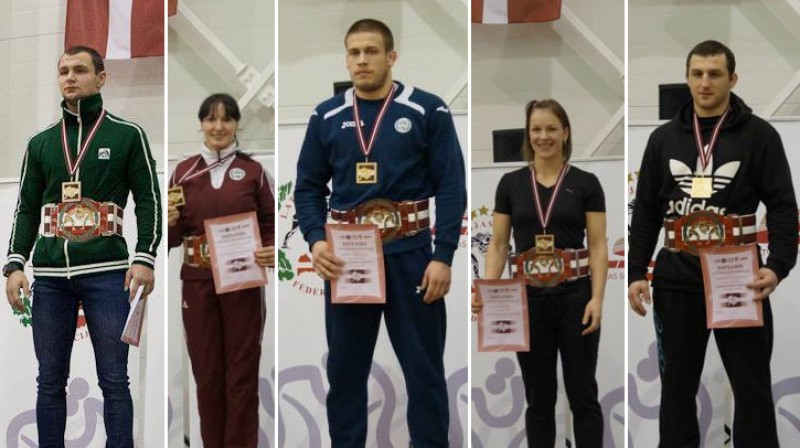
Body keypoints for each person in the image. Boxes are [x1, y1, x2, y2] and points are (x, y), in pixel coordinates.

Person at [294, 18, 466, 447]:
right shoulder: (326, 115)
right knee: (345, 374)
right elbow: (308, 188)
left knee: (424, 371)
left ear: (391, 57)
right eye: (354, 52)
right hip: (348, 259)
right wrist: (316, 240)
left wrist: (443, 255)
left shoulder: (428, 109)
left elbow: (451, 186)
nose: (362, 60)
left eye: (371, 51)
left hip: (412, 256)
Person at [628, 40, 798, 447]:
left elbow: (783, 208)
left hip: (738, 279)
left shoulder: (760, 136)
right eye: (697, 74)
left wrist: (777, 266)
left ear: (732, 79)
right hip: (676, 279)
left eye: (715, 74)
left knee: (752, 389)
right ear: (687, 78)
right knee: (677, 391)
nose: (705, 82)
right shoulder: (663, 139)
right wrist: (636, 272)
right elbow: (647, 212)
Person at [3, 45, 161, 448]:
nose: (69, 77)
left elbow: (149, 200)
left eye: (79, 70)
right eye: (63, 71)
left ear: (102, 77)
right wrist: (15, 264)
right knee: (49, 380)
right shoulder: (40, 144)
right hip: (52, 276)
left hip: (108, 273)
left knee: (113, 379)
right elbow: (25, 210)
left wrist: (145, 257)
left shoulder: (127, 135)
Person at [473, 99, 607, 447]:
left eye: (551, 128)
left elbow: (596, 246)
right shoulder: (511, 183)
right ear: (527, 134)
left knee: (583, 395)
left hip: (576, 296)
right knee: (539, 399)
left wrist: (596, 298)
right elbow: (500, 245)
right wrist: (488, 290)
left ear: (565, 133)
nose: (543, 136)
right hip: (527, 300)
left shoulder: (587, 182)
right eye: (536, 129)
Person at [167, 93, 275, 448]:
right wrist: (167, 226)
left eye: (227, 119)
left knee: (241, 374)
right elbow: (170, 238)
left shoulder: (255, 172)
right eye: (211, 119)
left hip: (242, 281)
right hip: (197, 283)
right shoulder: (183, 173)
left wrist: (271, 249)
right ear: (200, 123)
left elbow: (271, 223)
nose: (218, 126)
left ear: (236, 125)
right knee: (207, 374)